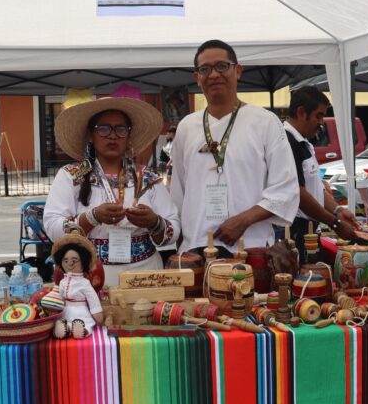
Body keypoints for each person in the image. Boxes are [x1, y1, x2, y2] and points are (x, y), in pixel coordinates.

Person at [169, 39, 299, 255]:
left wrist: (244, 220)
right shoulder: (186, 127)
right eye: (205, 69)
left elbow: (285, 189)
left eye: (222, 66)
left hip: (250, 247)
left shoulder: (265, 122)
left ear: (237, 71)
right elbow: (178, 193)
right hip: (196, 248)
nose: (214, 75)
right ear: (197, 77)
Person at [43, 96, 179, 288]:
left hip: (145, 275)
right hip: (89, 276)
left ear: (129, 136)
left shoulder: (147, 177)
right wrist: (92, 217)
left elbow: (173, 229)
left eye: (121, 129)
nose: (113, 136)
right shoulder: (71, 176)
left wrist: (154, 222)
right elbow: (52, 227)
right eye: (103, 128)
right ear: (90, 135)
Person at [283, 86, 359, 254]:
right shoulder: (287, 143)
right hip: (295, 233)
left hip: (308, 231)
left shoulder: (303, 142)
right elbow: (298, 194)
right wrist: (335, 223)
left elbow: (315, 188)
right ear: (301, 113)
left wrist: (338, 210)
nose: (321, 122)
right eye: (319, 116)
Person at [50, 233, 104, 339]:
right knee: (65, 322)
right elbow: (59, 298)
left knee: (84, 322)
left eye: (74, 260)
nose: (70, 264)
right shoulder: (62, 282)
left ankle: (84, 330)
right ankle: (66, 329)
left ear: (83, 262)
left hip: (81, 310)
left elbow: (92, 299)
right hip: (66, 310)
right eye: (66, 260)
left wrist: (97, 313)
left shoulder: (84, 283)